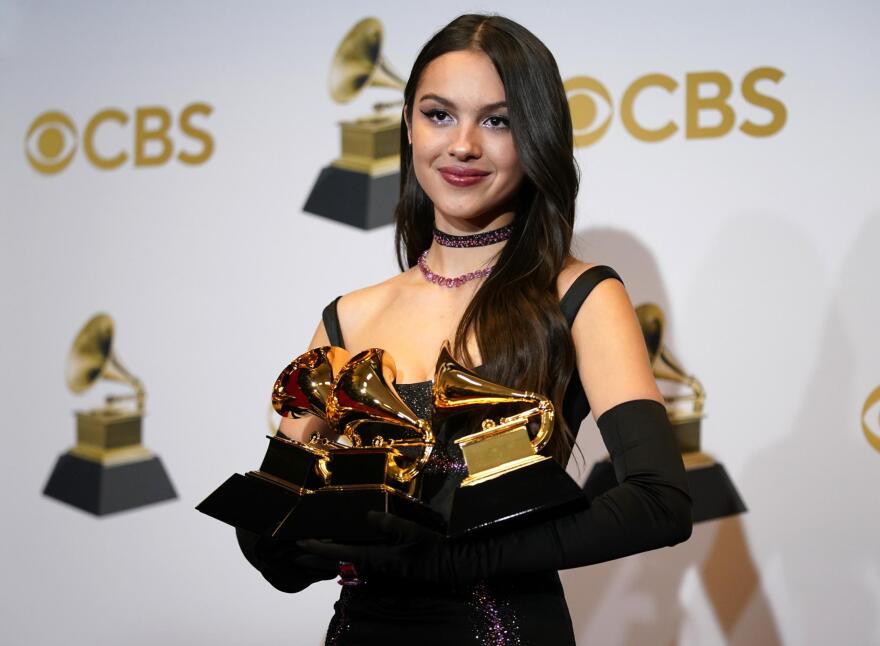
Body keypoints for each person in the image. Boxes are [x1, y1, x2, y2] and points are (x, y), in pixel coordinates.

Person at [236, 13, 692, 645]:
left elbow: (658, 500)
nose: (463, 146)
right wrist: (297, 543)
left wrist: (458, 558)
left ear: (538, 136)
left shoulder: (580, 294)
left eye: (498, 120)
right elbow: (273, 528)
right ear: (407, 125)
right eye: (439, 114)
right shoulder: (348, 317)